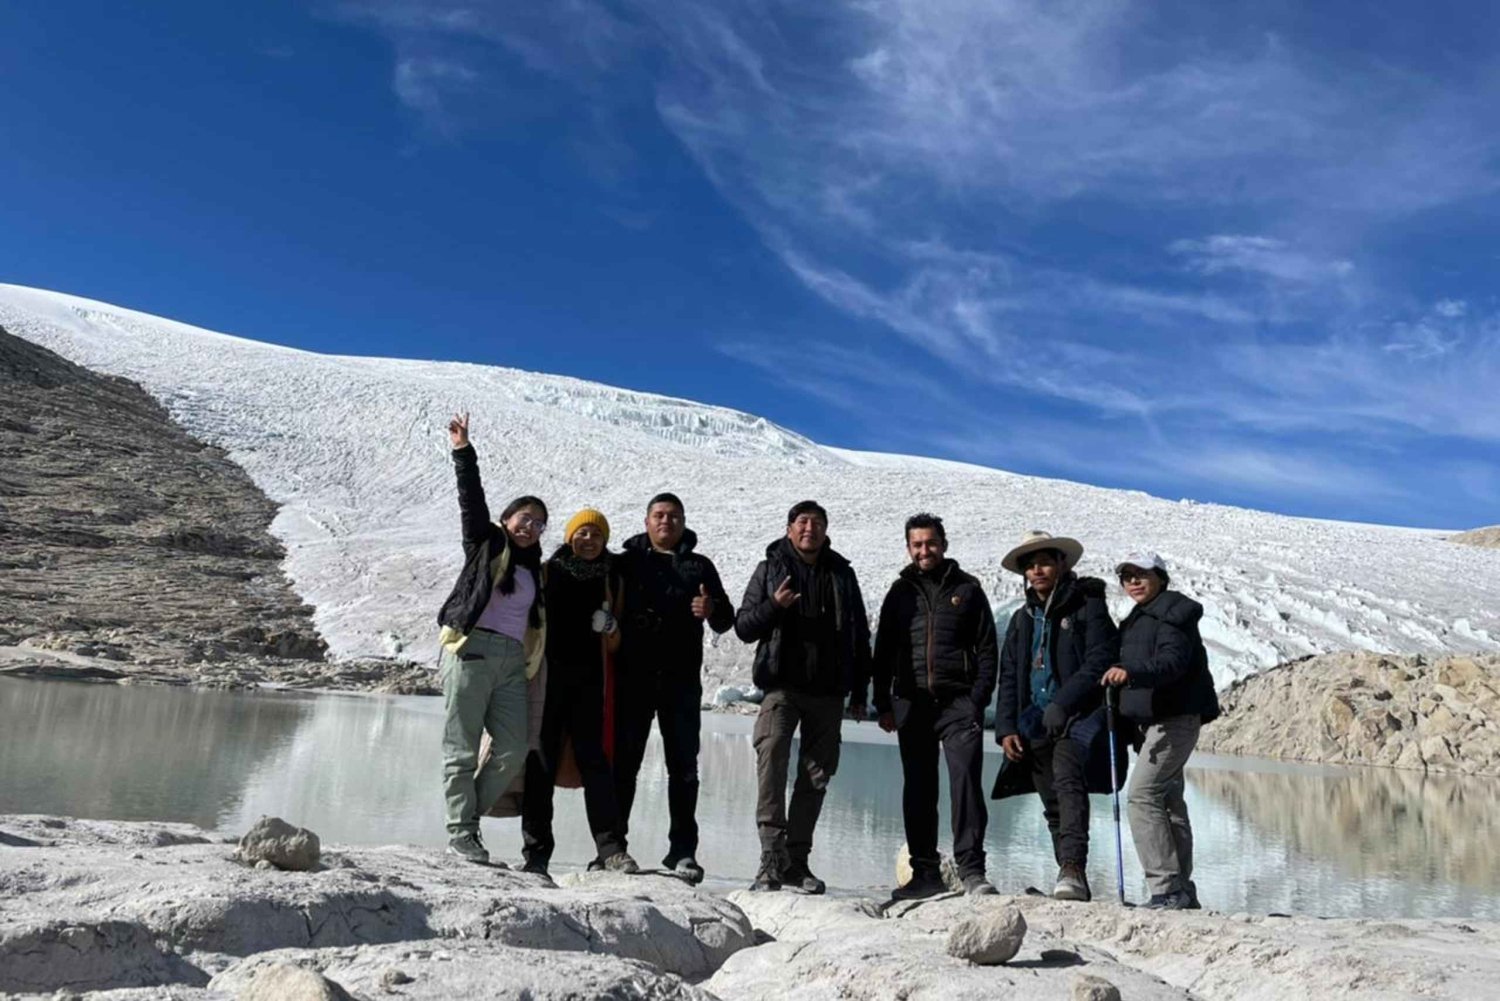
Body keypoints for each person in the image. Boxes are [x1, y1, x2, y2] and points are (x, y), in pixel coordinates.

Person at [734, 500, 872, 894]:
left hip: (828, 692)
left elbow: (858, 633)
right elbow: (744, 626)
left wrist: (860, 689)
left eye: (817, 523)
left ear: (826, 530)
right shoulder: (770, 569)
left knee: (816, 775)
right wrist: (774, 607)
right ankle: (770, 859)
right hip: (781, 686)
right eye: (802, 522)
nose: (809, 528)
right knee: (772, 758)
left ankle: (797, 861)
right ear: (790, 528)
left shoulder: (842, 575)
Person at [435, 413, 548, 864]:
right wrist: (463, 450)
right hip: (472, 651)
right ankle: (462, 833)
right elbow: (470, 500)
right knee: (461, 747)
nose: (530, 526)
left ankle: (466, 821)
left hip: (511, 663)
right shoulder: (485, 545)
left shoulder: (534, 571)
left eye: (539, 522)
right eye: (524, 518)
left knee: (513, 747)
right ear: (506, 520)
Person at [872, 513, 999, 899]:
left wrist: (977, 700)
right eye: (916, 545)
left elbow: (989, 649)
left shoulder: (968, 589)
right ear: (908, 548)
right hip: (912, 704)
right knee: (919, 789)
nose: (924, 551)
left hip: (958, 704)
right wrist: (883, 703)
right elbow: (884, 651)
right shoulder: (899, 593)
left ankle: (972, 871)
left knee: (965, 784)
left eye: (930, 543)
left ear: (943, 544)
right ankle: (925, 872)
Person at [614, 492, 735, 883]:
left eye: (674, 516)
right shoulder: (625, 562)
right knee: (625, 764)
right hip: (633, 678)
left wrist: (710, 609)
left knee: (684, 768)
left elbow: (726, 619)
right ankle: (613, 847)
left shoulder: (699, 566)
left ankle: (683, 852)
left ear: (683, 522)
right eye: (659, 515)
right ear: (646, 521)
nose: (666, 522)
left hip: (681, 681)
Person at [994, 530, 1118, 901]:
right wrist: (1006, 728)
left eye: (1044, 562)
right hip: (1034, 719)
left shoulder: (1087, 605)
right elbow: (1011, 674)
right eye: (1030, 566)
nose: (1037, 570)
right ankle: (1066, 877)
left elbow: (1100, 657)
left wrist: (1063, 702)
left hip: (1078, 715)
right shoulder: (1022, 618)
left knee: (1068, 784)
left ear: (1061, 564)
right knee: (1051, 800)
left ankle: (1073, 870)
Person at [520, 508, 639, 877]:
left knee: (596, 763)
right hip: (548, 682)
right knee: (541, 763)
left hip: (590, 684)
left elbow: (618, 644)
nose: (589, 541)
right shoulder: (547, 573)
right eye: (582, 533)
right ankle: (536, 854)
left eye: (597, 535)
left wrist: (612, 626)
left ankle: (611, 849)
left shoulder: (611, 579)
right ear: (570, 536)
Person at [1103, 553, 1221, 910]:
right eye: (1127, 576)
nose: (1134, 582)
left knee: (1141, 795)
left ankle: (1166, 888)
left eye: (1142, 574)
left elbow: (1172, 663)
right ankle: (1181, 890)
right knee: (1168, 802)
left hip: (1175, 719)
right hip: (1159, 721)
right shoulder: (1141, 617)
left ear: (1161, 577)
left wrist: (1130, 671)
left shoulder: (1173, 614)